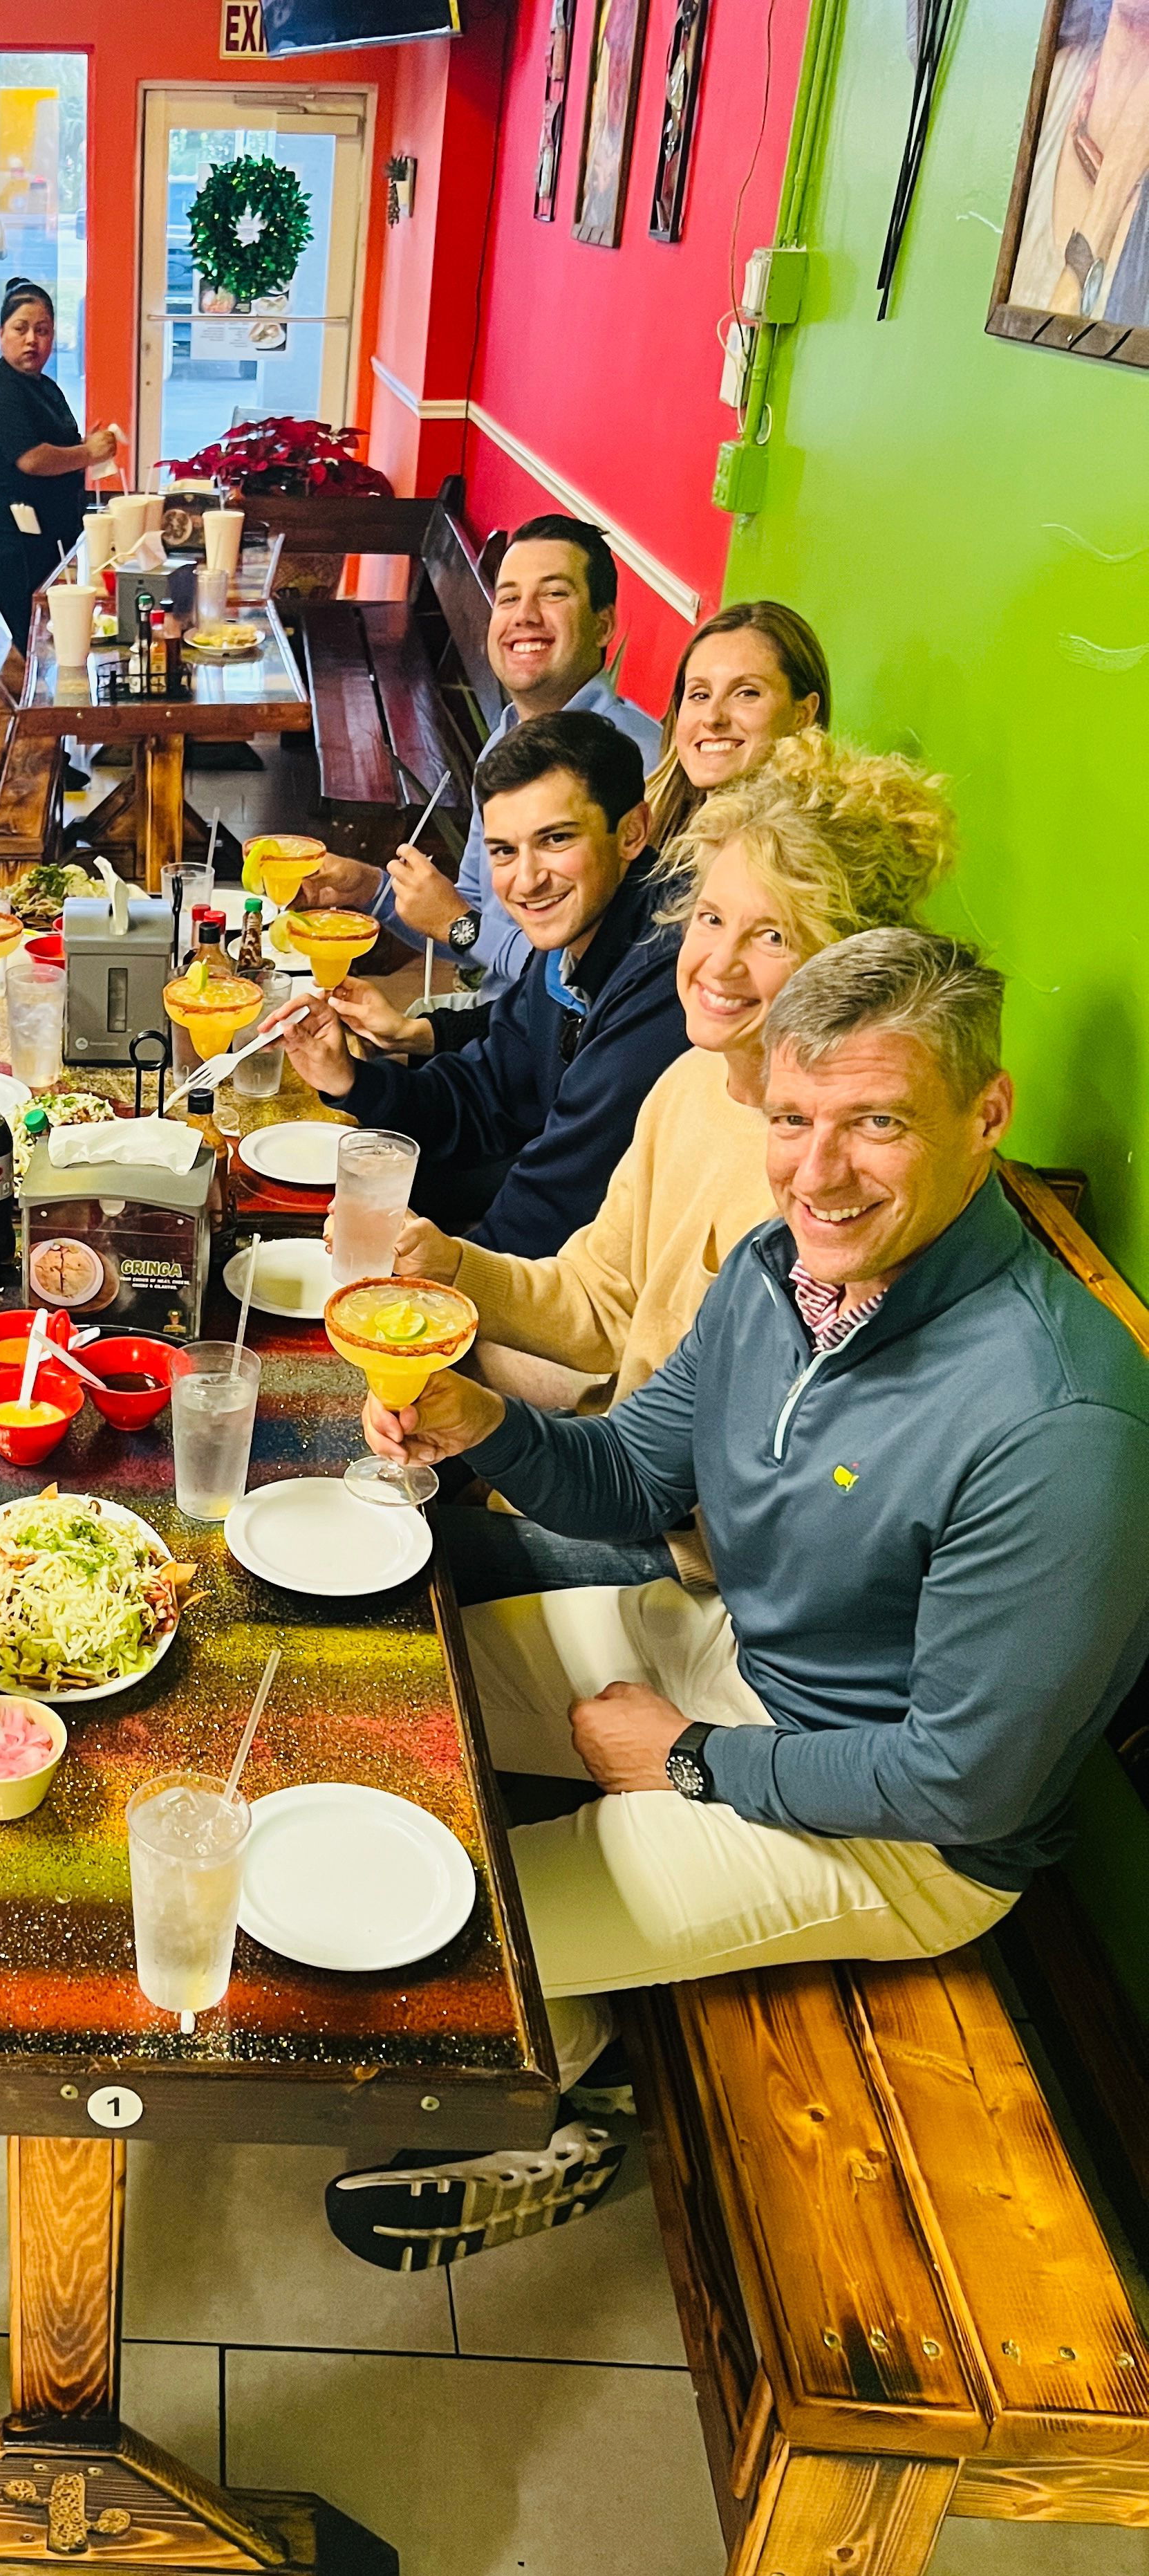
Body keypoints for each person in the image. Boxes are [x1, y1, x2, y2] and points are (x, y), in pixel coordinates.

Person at [357, 929, 1149, 2097]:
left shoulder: (1055, 1419)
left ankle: (570, 2092)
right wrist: (484, 1422)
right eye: (789, 1119)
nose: (815, 1174)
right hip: (740, 1657)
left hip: (904, 1837)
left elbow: (962, 1782)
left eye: (873, 1121)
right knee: (383, 1699)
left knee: (417, 1932)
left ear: (986, 1113)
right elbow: (627, 1477)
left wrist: (686, 1759)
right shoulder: (777, 1269)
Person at [395, 734, 954, 1601]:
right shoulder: (694, 1080)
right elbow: (600, 1300)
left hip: (695, 1558)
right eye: (711, 918)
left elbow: (742, 1491)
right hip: (616, 1468)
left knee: (402, 1567)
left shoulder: (832, 1187)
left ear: (849, 959)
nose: (718, 966)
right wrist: (452, 1266)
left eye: (772, 935)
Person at [286, 712, 686, 1252]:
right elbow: (484, 1094)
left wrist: (448, 1278)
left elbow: (559, 1198)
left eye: (557, 839)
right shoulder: (565, 944)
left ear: (632, 832)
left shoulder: (664, 975)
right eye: (504, 850)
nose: (527, 880)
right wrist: (350, 1079)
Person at [297, 514, 662, 1004]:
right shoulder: (509, 739)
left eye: (554, 594)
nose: (525, 615)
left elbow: (583, 982)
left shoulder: (641, 764)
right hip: (498, 1021)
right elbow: (471, 925)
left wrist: (457, 923)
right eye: (509, 597)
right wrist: (368, 888)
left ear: (603, 624)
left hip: (559, 1047)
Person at [0, 279, 122, 648]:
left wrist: (85, 445)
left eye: (43, 330)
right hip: (12, 538)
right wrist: (88, 454)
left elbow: (57, 446)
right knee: (39, 640)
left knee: (56, 634)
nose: (32, 340)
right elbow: (33, 459)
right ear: (1, 333)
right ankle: (33, 706)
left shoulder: (44, 386)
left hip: (48, 529)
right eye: (21, 329)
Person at [641, 600, 831, 852]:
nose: (712, 717)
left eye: (746, 693)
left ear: (803, 714)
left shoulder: (817, 862)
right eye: (700, 695)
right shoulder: (639, 832)